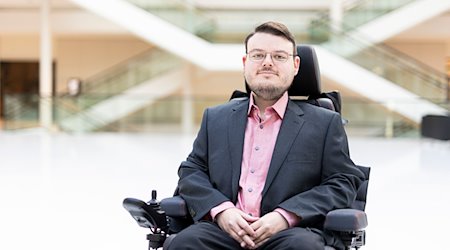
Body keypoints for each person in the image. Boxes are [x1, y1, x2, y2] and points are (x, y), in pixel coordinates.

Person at [167, 21, 365, 250]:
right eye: (258, 55)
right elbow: (192, 171)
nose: (267, 63)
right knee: (184, 243)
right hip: (223, 230)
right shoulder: (216, 118)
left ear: (295, 65)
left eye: (279, 56)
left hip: (290, 233)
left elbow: (343, 181)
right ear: (245, 63)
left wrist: (285, 216)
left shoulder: (324, 122)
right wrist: (222, 210)